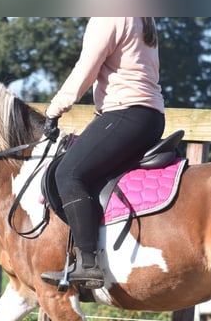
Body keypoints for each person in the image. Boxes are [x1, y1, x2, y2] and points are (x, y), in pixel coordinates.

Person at [40, 17, 166, 289]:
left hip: (125, 112)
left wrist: (54, 110)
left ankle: (88, 264)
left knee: (68, 173)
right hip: (150, 116)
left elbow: (84, 70)